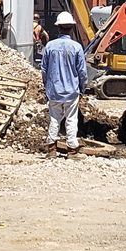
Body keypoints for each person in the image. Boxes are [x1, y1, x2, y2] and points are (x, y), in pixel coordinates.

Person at [41, 11, 88, 153]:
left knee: (54, 119)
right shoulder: (76, 47)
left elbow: (44, 69)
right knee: (71, 120)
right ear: (71, 28)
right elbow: (82, 72)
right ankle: (72, 149)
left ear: (58, 27)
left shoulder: (50, 46)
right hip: (71, 91)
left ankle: (51, 149)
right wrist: (82, 88)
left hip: (54, 90)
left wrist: (46, 86)